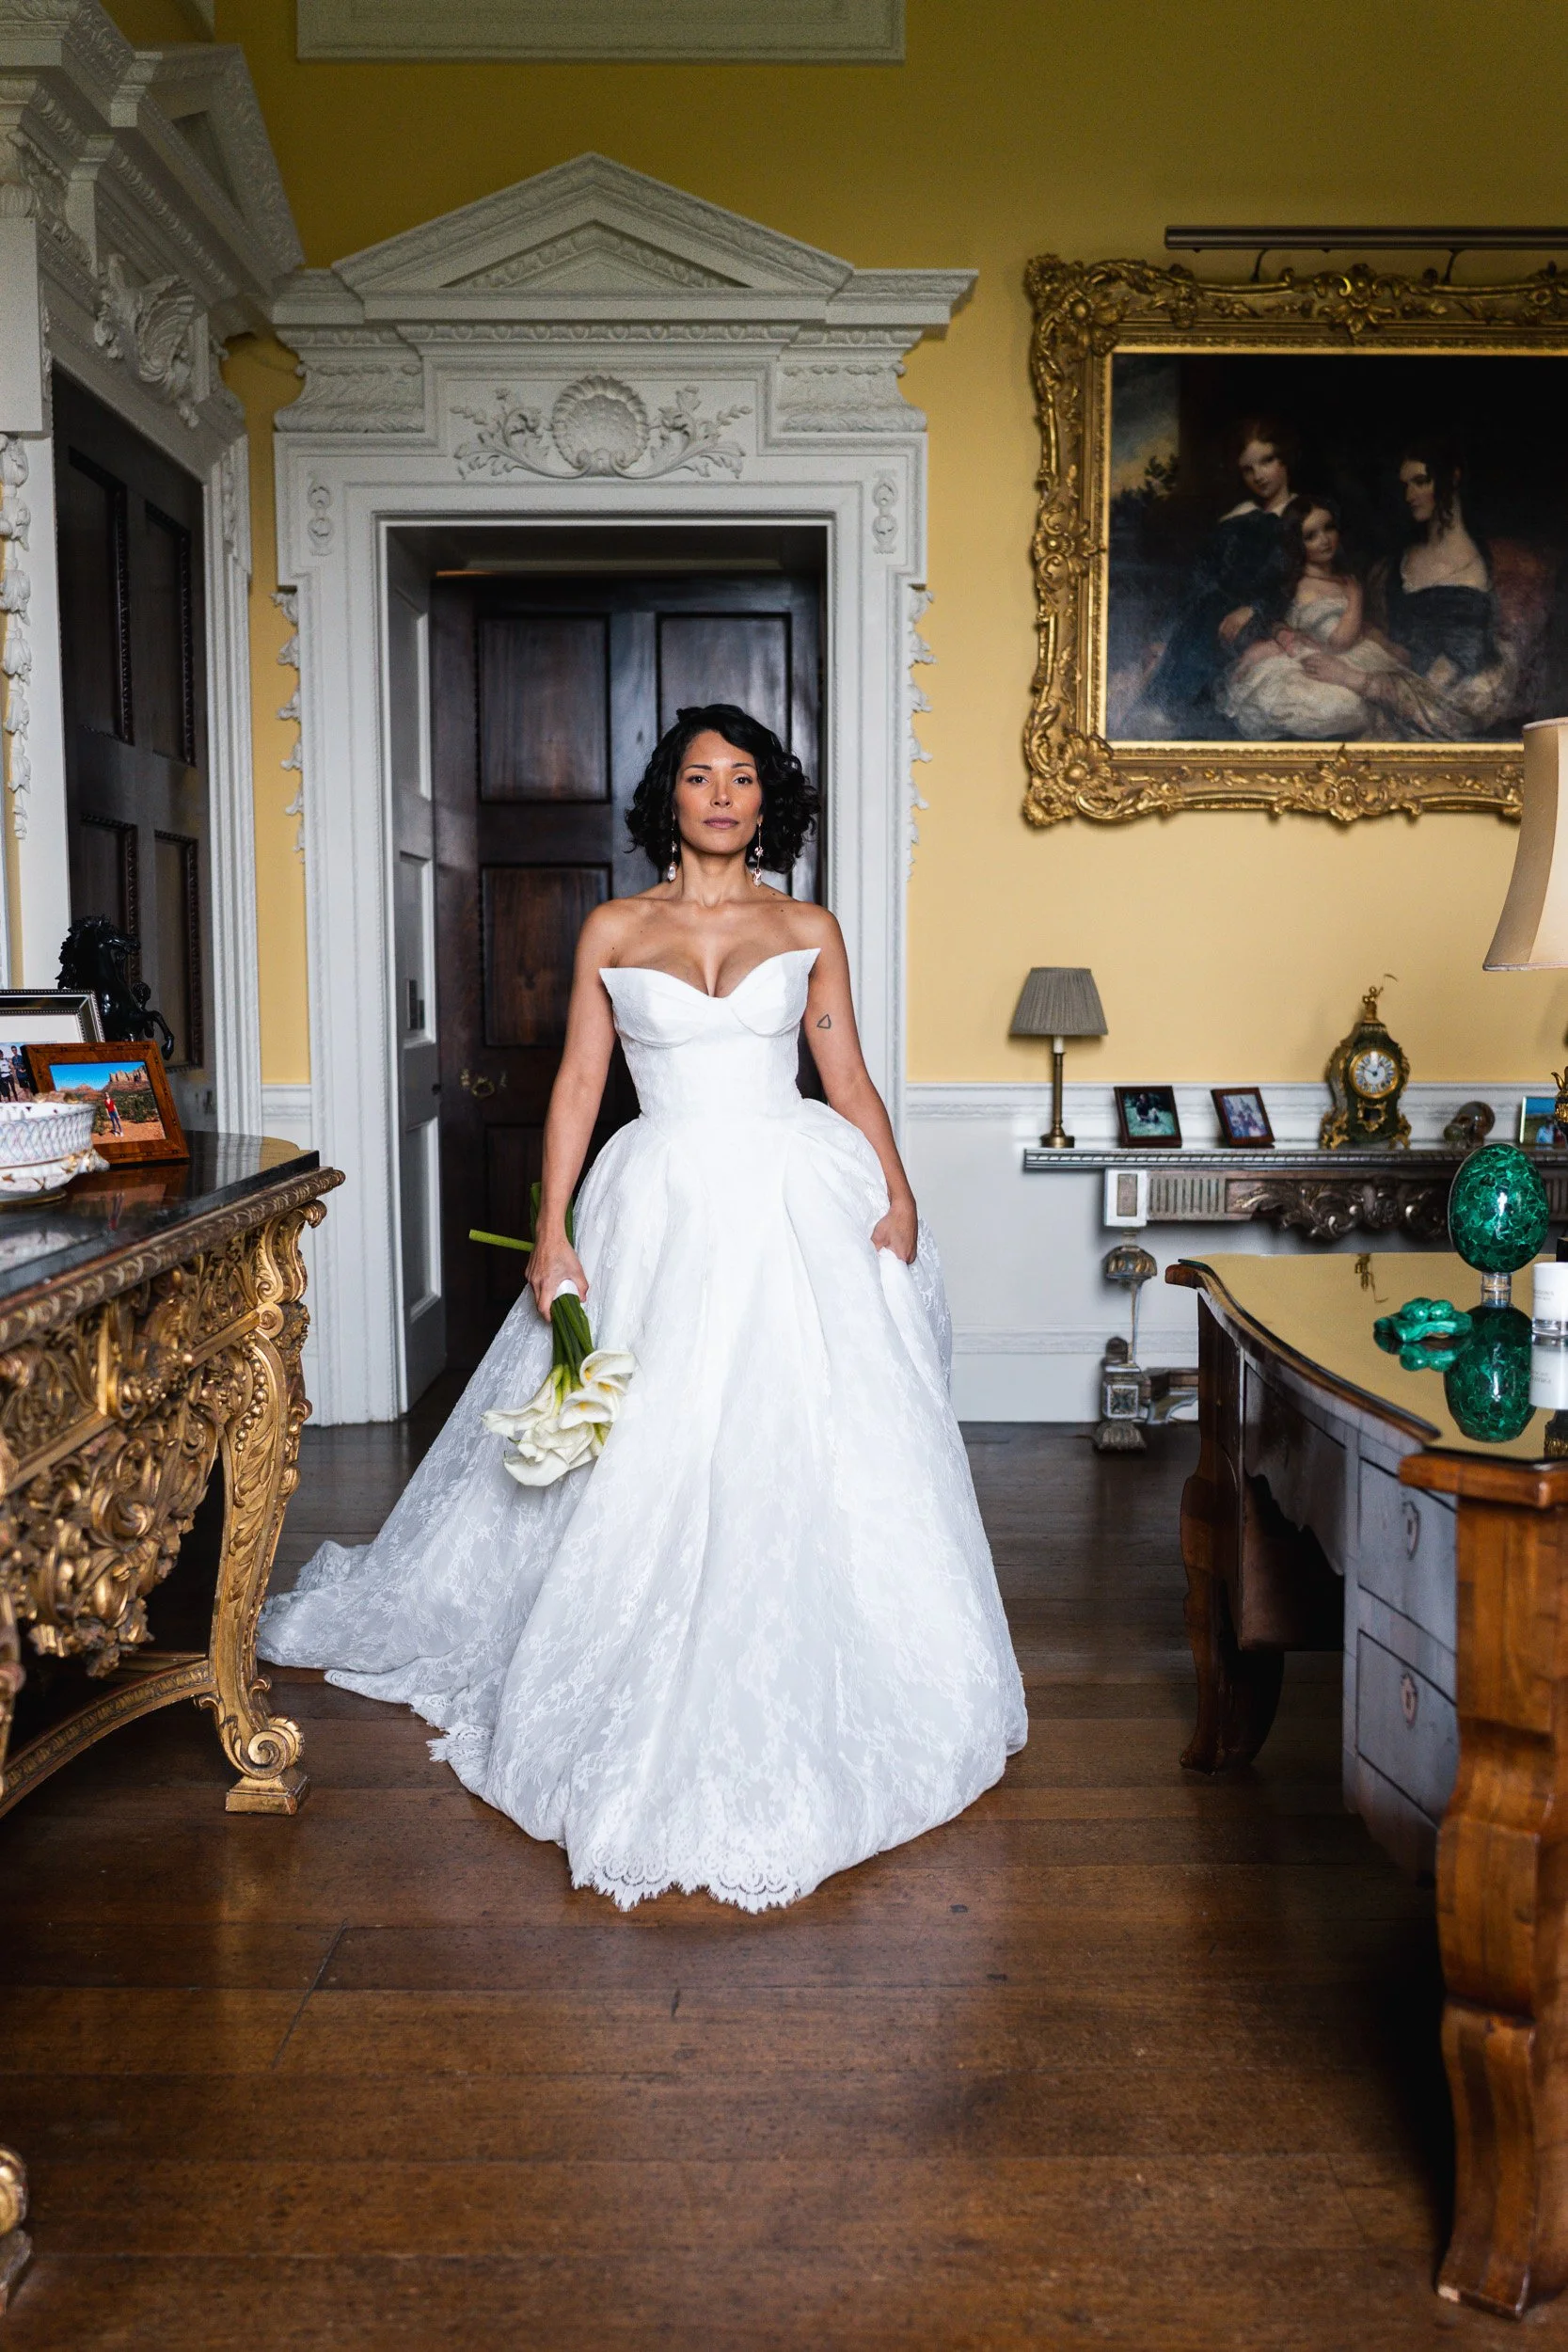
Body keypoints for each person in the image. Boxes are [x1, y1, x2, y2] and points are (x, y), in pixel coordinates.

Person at [259, 703, 1026, 1914]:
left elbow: (843, 1075)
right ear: (668, 796)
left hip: (791, 1195)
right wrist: (553, 1228)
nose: (720, 795)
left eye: (741, 777)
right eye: (698, 776)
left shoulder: (806, 926)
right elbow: (578, 1080)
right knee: (649, 1431)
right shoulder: (615, 927)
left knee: (808, 1426)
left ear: (766, 800)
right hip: (656, 1195)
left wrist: (897, 1189)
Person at [1297, 437, 1515, 739]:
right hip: (1380, 678)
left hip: (1419, 707)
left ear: (1452, 478)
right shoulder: (1398, 561)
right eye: (1406, 485)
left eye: (1421, 482)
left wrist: (1354, 678)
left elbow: (1440, 693)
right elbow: (1384, 638)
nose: (1410, 495)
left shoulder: (1469, 575)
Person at [1138, 416, 1300, 730]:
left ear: (1285, 459)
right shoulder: (1237, 519)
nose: (1258, 476)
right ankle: (1161, 701)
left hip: (1271, 617)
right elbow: (1199, 581)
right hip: (1214, 620)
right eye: (1248, 469)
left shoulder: (1302, 516)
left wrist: (1253, 609)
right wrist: (1163, 638)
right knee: (1207, 603)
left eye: (1267, 461)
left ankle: (1164, 706)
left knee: (1213, 610)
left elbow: (1291, 581)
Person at [1218, 496, 1402, 739]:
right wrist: (1356, 596)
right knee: (1344, 707)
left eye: (1329, 528)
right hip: (1315, 663)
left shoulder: (1342, 578)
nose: (1324, 540)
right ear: (1297, 543)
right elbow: (1339, 641)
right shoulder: (1302, 585)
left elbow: (1360, 630)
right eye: (1311, 536)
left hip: (1348, 660)